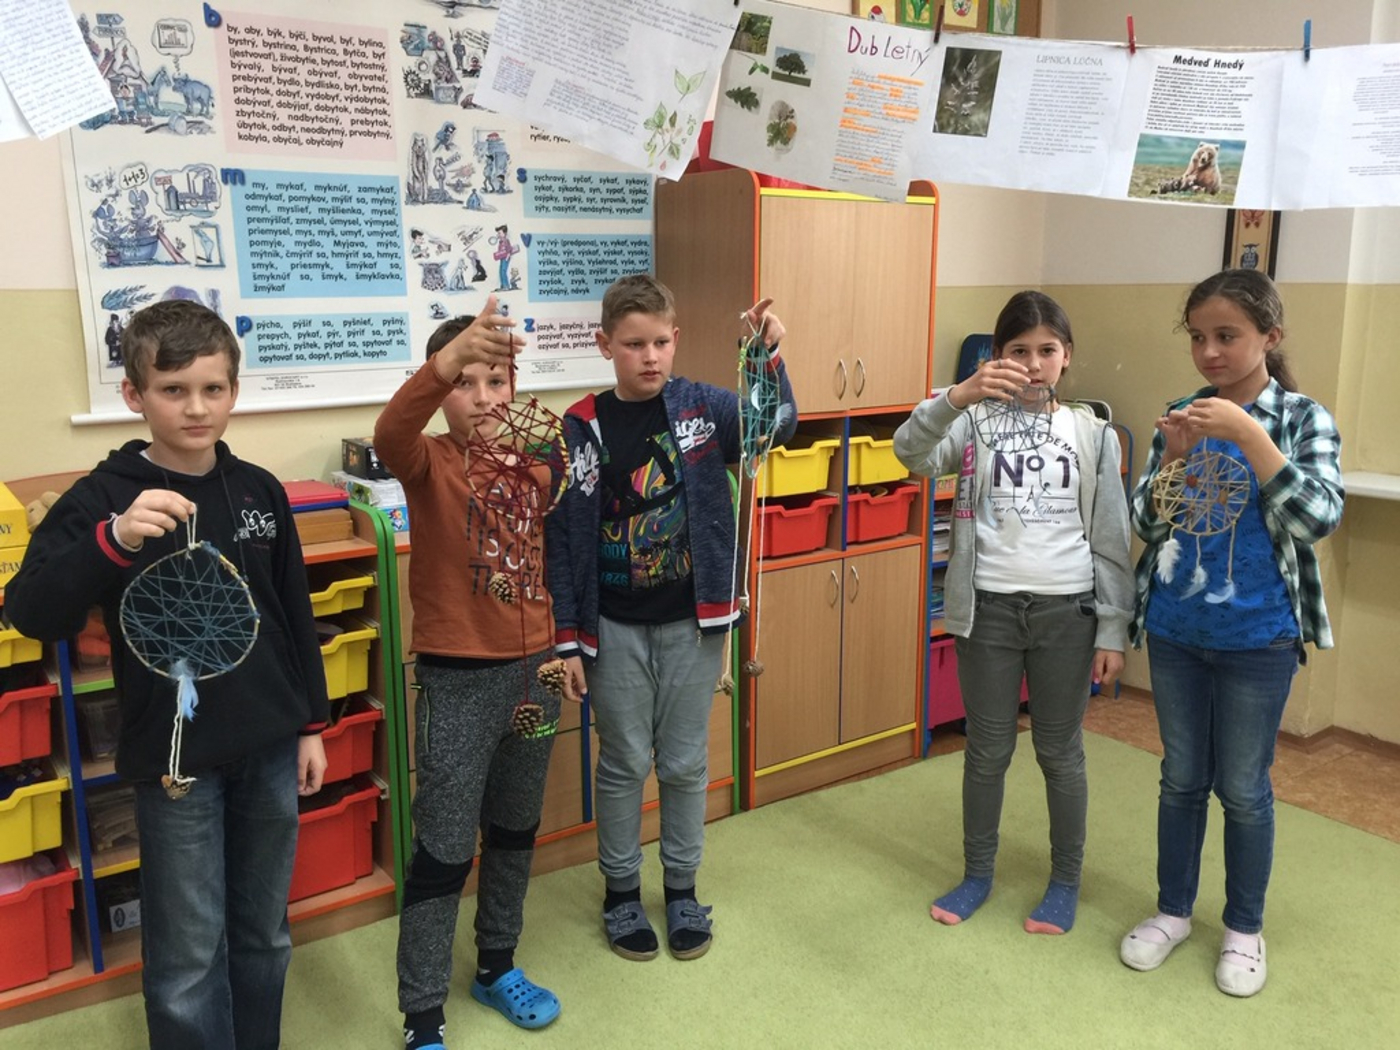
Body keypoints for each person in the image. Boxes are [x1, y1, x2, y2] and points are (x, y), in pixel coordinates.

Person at [6, 300, 329, 1047]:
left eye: (213, 389)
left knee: (263, 933)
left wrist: (312, 724)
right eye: (173, 390)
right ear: (135, 395)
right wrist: (113, 540)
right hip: (176, 763)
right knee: (187, 956)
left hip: (269, 746)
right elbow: (30, 611)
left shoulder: (258, 491)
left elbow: (292, 612)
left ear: (234, 391)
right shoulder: (105, 495)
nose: (196, 408)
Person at [546, 273, 796, 961]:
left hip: (693, 623)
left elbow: (774, 425)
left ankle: (682, 888)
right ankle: (621, 892)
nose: (649, 356)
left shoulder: (702, 409)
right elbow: (563, 541)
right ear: (605, 345)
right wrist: (567, 640)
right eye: (633, 344)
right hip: (611, 628)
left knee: (685, 763)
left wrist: (766, 358)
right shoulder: (581, 426)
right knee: (624, 761)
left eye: (660, 342)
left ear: (676, 339)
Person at [1118, 269, 1343, 997]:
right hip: (1178, 629)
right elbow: (1144, 524)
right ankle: (1173, 912)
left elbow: (1317, 518)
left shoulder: (1302, 419)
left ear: (1269, 338)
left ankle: (1244, 928)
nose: (1209, 352)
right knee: (1181, 779)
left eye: (1227, 336)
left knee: (1243, 789)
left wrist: (1249, 433)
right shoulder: (1182, 414)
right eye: (1198, 337)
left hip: (1259, 637)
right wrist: (1174, 457)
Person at [894, 290, 1133, 936]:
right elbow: (909, 453)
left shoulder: (1091, 433)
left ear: (1067, 356)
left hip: (1067, 613)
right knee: (987, 751)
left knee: (1060, 752)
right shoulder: (973, 423)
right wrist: (957, 396)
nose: (1032, 364)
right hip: (989, 613)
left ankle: (1065, 881)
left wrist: (1113, 628)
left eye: (1046, 350)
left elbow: (1112, 538)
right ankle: (977, 874)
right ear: (996, 357)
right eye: (1018, 351)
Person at [375, 296, 570, 1048]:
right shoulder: (427, 460)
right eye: (465, 382)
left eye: (497, 381)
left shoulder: (535, 466)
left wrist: (563, 649)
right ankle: (422, 1012)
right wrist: (446, 360)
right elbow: (390, 432)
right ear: (441, 387)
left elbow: (559, 555)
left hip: (536, 672)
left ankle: (496, 965)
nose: (484, 398)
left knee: (516, 829)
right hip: (458, 680)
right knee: (444, 849)